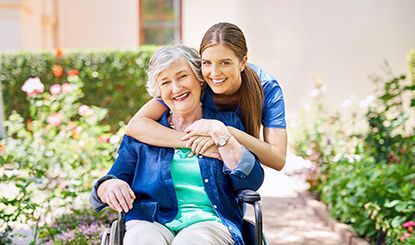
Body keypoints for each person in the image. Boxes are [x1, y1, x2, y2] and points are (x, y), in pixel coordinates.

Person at [89, 45, 264, 245]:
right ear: (159, 91)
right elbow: (109, 181)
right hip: (150, 221)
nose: (176, 88)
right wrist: (110, 185)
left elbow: (252, 181)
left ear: (199, 78)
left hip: (210, 222)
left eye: (182, 77)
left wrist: (222, 136)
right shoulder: (144, 133)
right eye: (165, 82)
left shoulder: (227, 123)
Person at [126, 22, 287, 171]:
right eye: (207, 62)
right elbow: (136, 125)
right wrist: (189, 142)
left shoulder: (267, 87)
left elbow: (278, 159)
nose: (214, 72)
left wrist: (226, 133)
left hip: (240, 165)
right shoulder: (198, 80)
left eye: (225, 63)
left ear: (243, 62)